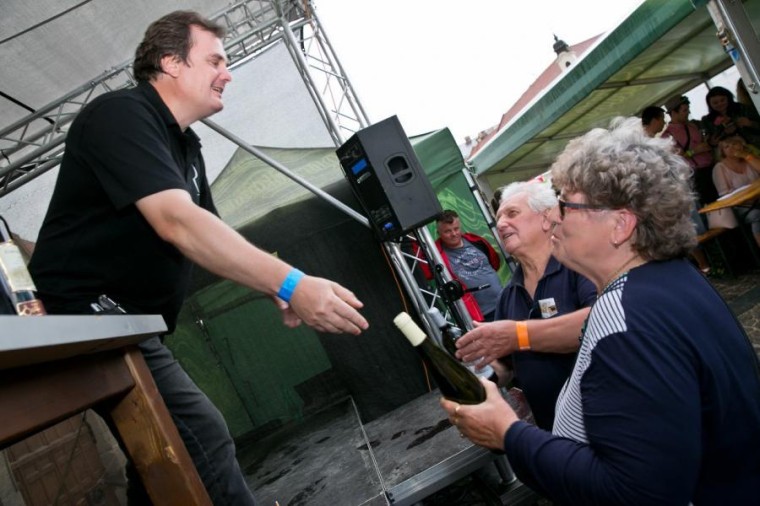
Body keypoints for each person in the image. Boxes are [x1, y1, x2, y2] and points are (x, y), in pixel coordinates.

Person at [27, 11, 368, 505]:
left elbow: (210, 236)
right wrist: (292, 282)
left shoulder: (186, 146)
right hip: (82, 314)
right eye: (214, 60)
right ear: (170, 62)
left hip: (132, 325)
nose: (227, 73)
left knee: (163, 451)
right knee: (198, 433)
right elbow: (178, 222)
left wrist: (270, 286)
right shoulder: (121, 115)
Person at [441, 117, 760, 505]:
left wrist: (508, 433)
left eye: (566, 203)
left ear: (620, 224)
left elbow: (633, 493)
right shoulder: (674, 279)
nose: (555, 216)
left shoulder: (624, 316)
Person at [454, 181, 595, 430]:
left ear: (545, 219)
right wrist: (477, 375)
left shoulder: (579, 264)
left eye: (512, 213)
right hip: (555, 434)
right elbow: (505, 366)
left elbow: (599, 322)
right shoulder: (509, 296)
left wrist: (518, 335)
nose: (500, 224)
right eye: (498, 218)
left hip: (603, 420)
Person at [419, 210, 503, 321]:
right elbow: (426, 273)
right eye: (447, 231)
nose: (454, 234)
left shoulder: (476, 241)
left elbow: (494, 262)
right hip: (481, 315)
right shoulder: (436, 255)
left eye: (456, 228)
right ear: (438, 233)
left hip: (506, 300)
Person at [662, 94, 717, 205]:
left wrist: (710, 143)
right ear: (673, 112)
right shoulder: (667, 135)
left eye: (688, 109)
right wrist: (694, 151)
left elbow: (705, 145)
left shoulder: (693, 126)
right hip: (696, 175)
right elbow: (674, 159)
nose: (688, 112)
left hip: (713, 167)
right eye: (684, 110)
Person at [713, 134, 760, 247]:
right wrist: (747, 197)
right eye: (727, 146)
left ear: (741, 145)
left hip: (758, 199)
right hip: (741, 206)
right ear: (722, 151)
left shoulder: (748, 159)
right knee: (757, 215)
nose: (732, 148)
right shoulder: (719, 168)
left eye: (734, 144)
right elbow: (724, 195)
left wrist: (746, 155)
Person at [701, 85, 760, 149]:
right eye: (715, 103)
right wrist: (723, 134)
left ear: (728, 98)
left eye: (722, 100)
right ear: (710, 104)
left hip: (755, 145)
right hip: (730, 153)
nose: (720, 104)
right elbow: (710, 142)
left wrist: (750, 123)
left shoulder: (742, 108)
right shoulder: (707, 120)